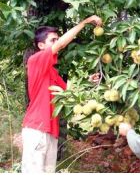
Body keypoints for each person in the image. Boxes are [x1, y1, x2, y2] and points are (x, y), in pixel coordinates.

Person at [21, 15, 102, 173]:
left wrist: (87, 81)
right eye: (53, 40)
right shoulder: (35, 60)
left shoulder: (52, 72)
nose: (57, 42)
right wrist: (85, 22)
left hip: (51, 131)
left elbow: (69, 92)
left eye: (57, 39)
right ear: (41, 45)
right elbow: (62, 44)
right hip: (36, 129)